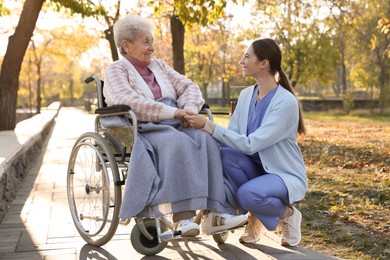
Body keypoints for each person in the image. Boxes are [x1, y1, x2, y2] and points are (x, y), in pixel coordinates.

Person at [102, 14, 247, 237]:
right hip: (145, 127)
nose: (152, 47)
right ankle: (183, 217)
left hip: (177, 121)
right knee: (176, 142)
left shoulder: (159, 66)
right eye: (146, 42)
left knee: (206, 139)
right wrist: (172, 112)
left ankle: (216, 212)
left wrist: (187, 110)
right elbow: (130, 101)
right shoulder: (116, 70)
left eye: (152, 41)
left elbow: (189, 87)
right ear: (126, 46)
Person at [185, 38, 308, 246]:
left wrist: (208, 125)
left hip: (281, 174)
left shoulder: (286, 102)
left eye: (247, 56)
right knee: (226, 155)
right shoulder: (245, 95)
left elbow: (251, 144)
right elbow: (232, 140)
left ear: (264, 63)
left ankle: (287, 214)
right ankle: (258, 213)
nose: (242, 61)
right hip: (253, 169)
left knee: (246, 194)